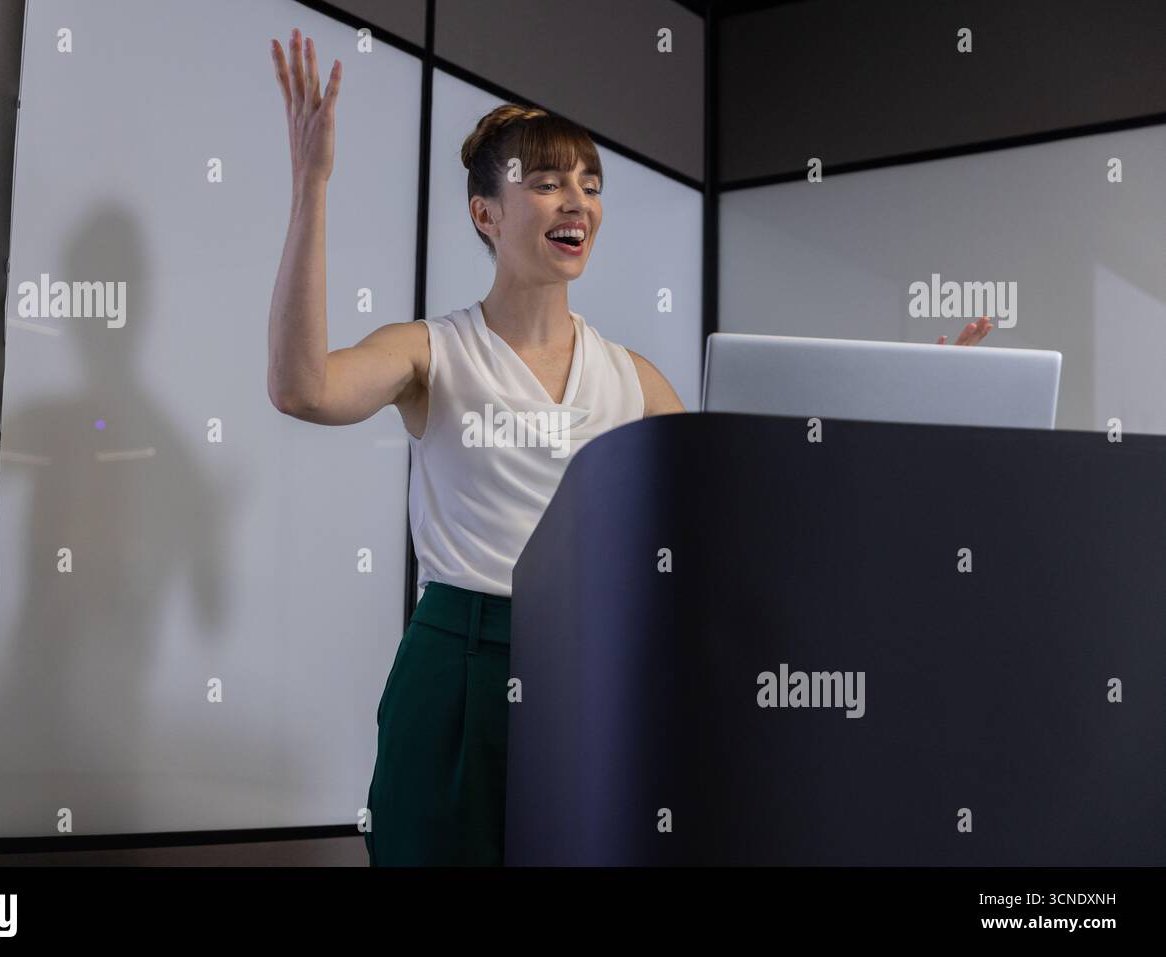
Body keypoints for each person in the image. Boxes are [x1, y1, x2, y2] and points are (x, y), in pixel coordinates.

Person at [266, 28, 991, 866]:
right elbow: (303, 387)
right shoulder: (432, 351)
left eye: (590, 185)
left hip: (590, 668)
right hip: (455, 666)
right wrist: (311, 186)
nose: (576, 202)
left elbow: (748, 505)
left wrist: (908, 400)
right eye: (545, 183)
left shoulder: (633, 378)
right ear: (485, 213)